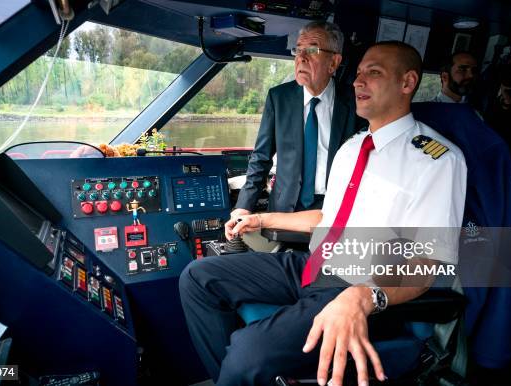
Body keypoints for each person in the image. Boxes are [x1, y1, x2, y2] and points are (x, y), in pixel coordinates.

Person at [179, 41, 467, 386]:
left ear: (407, 83)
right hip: (315, 265)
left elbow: (427, 265)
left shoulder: (436, 161)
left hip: (361, 286)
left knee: (246, 351)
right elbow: (327, 219)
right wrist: (260, 220)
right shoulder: (351, 148)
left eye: (373, 73)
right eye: (358, 73)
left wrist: (364, 296)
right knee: (197, 278)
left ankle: (238, 373)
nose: (358, 82)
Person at [232, 21, 361, 218]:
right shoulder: (279, 98)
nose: (301, 58)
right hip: (284, 208)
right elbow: (261, 157)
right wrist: (244, 206)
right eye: (298, 50)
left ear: (333, 63)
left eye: (311, 50)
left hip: (333, 207)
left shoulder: (355, 102)